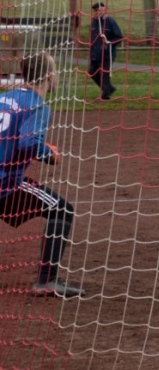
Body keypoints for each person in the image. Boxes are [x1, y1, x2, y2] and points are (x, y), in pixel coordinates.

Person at [0, 52, 84, 297]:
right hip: (4, 183)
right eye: (55, 71)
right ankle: (47, 281)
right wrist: (49, 154)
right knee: (62, 210)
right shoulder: (38, 105)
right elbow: (28, 143)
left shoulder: (5, 97)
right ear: (48, 77)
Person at [88, 2, 124, 100]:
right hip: (95, 53)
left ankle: (105, 95)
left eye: (101, 10)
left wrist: (108, 44)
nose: (99, 12)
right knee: (92, 72)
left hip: (107, 53)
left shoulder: (110, 21)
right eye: (96, 10)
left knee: (105, 74)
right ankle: (108, 88)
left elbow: (119, 37)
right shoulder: (94, 22)